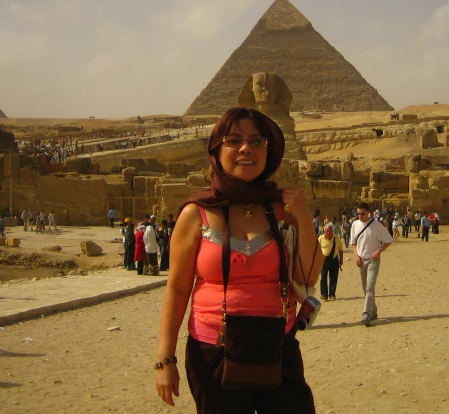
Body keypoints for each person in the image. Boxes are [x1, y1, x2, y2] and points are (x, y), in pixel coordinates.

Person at [155, 107, 322, 412]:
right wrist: (166, 359)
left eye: (257, 141)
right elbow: (177, 290)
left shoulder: (283, 208)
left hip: (277, 346)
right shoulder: (196, 213)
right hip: (213, 351)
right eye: (234, 140)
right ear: (217, 150)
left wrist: (304, 217)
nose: (246, 148)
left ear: (268, 150)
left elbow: (308, 277)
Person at [350, 202, 393, 327]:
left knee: (370, 286)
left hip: (373, 260)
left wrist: (378, 251)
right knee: (365, 288)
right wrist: (356, 255)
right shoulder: (355, 224)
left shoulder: (376, 225)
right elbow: (353, 242)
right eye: (358, 214)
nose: (360, 216)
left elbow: (388, 240)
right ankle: (373, 311)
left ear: (369, 212)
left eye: (362, 214)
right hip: (361, 260)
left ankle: (366, 314)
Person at [318, 221, 344, 300]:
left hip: (334, 260)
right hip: (323, 261)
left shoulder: (336, 238)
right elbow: (316, 250)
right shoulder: (320, 238)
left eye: (330, 231)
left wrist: (341, 260)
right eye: (327, 231)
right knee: (323, 277)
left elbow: (340, 249)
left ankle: (332, 294)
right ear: (324, 231)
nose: (328, 233)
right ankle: (324, 295)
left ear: (332, 231)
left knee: (333, 277)